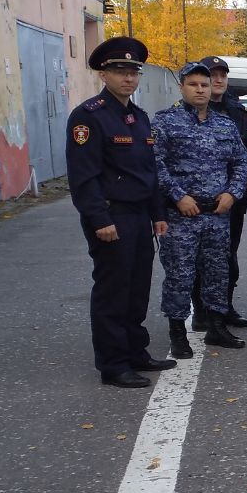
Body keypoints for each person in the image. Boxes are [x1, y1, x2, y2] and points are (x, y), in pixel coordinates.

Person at [66, 37, 174, 388]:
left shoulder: (137, 117)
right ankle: (113, 363)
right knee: (113, 289)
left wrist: (158, 213)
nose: (128, 78)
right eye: (119, 71)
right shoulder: (89, 117)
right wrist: (100, 220)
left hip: (140, 216)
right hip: (112, 216)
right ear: (103, 74)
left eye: (133, 71)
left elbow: (149, 172)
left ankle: (135, 351)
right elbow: (84, 177)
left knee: (137, 287)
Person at [153, 61, 247, 358]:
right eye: (193, 84)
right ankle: (178, 332)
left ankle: (217, 327)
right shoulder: (164, 122)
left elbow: (242, 162)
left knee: (218, 272)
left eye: (205, 85)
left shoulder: (225, 124)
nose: (200, 89)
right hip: (182, 215)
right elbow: (156, 165)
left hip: (217, 214)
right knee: (181, 274)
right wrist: (178, 195)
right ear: (182, 87)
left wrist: (233, 194)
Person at [191, 54, 247, 331]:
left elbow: (245, 157)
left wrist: (235, 191)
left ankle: (224, 306)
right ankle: (202, 310)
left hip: (232, 198)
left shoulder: (238, 113)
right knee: (198, 255)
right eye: (212, 75)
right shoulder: (186, 113)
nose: (217, 80)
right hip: (196, 200)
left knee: (228, 254)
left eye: (222, 75)